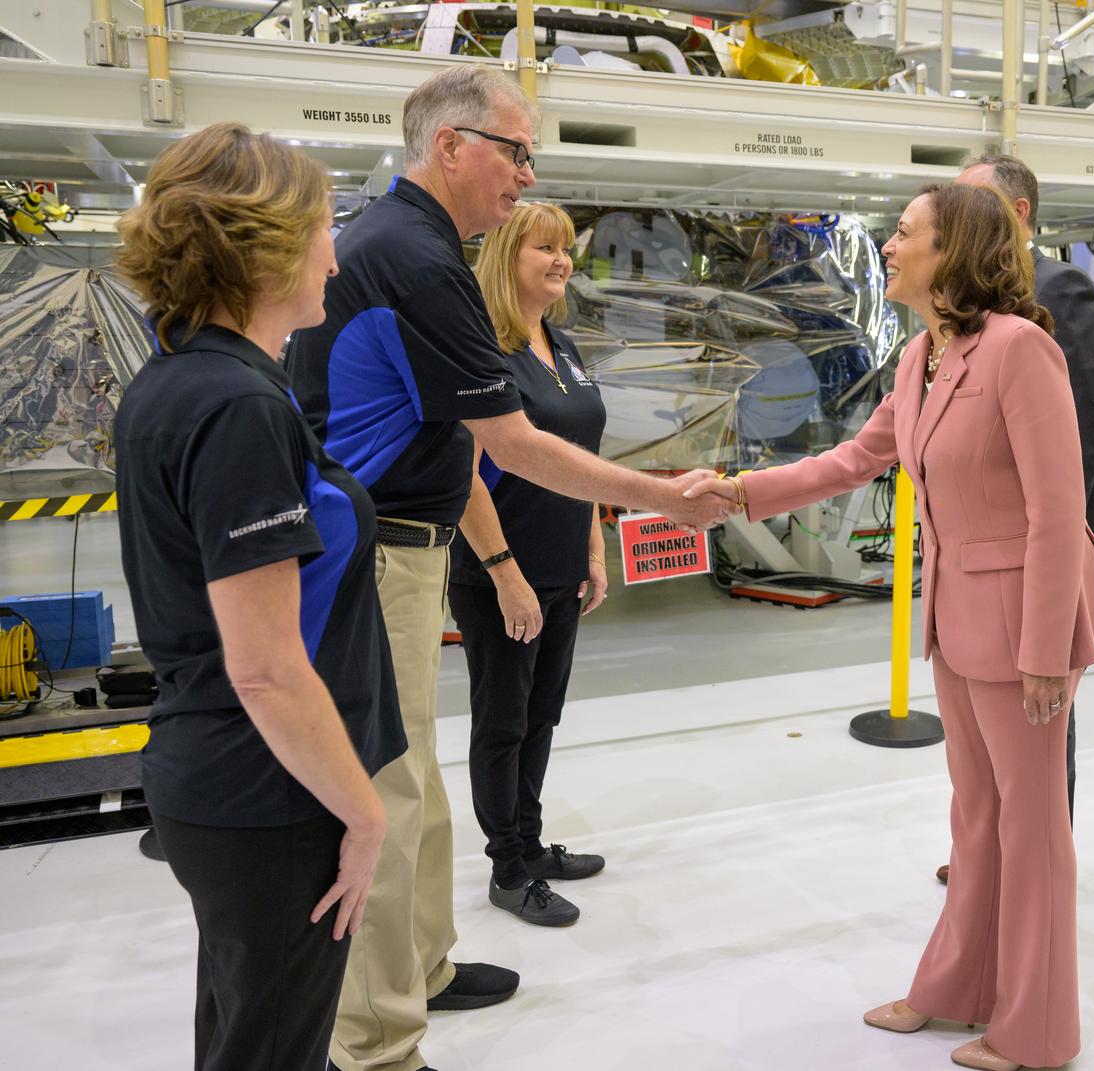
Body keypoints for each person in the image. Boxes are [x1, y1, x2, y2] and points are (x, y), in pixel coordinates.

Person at [286, 66, 729, 1071]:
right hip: (379, 554)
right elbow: (510, 441)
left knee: (419, 784)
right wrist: (662, 496)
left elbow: (469, 437)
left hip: (407, 546)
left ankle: (427, 967)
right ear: (450, 147)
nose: (525, 176)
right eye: (514, 152)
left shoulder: (417, 247)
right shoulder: (413, 258)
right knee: (386, 800)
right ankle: (377, 1041)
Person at [686, 183, 1094, 1071]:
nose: (889, 244)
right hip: (959, 615)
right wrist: (738, 493)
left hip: (1023, 624)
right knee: (975, 818)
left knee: (1032, 827)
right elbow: (856, 458)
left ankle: (1039, 1030)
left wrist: (1047, 649)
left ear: (952, 250)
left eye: (906, 232)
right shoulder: (926, 355)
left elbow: (1055, 509)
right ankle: (959, 987)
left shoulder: (1020, 350)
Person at [113, 123, 404, 1071]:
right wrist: (363, 814)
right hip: (271, 795)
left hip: (227, 782)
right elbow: (269, 668)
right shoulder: (235, 407)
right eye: (326, 221)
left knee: (249, 1038)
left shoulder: (191, 378)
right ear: (268, 244)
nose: (336, 246)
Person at [948, 154, 1094, 862]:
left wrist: (1054, 552)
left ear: (1019, 212)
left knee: (1045, 704)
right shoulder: (971, 293)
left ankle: (1038, 852)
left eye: (971, 204)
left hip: (1060, 532)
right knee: (998, 707)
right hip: (997, 538)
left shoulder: (1062, 288)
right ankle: (994, 845)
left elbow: (1082, 431)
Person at [450, 201, 607, 927]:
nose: (560, 259)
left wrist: (593, 545)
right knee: (504, 720)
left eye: (566, 248)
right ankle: (508, 869)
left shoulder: (562, 345)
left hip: (560, 566)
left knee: (542, 714)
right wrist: (506, 572)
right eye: (543, 246)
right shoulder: (484, 349)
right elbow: (467, 476)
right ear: (506, 255)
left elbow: (582, 461)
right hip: (499, 572)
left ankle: (533, 842)